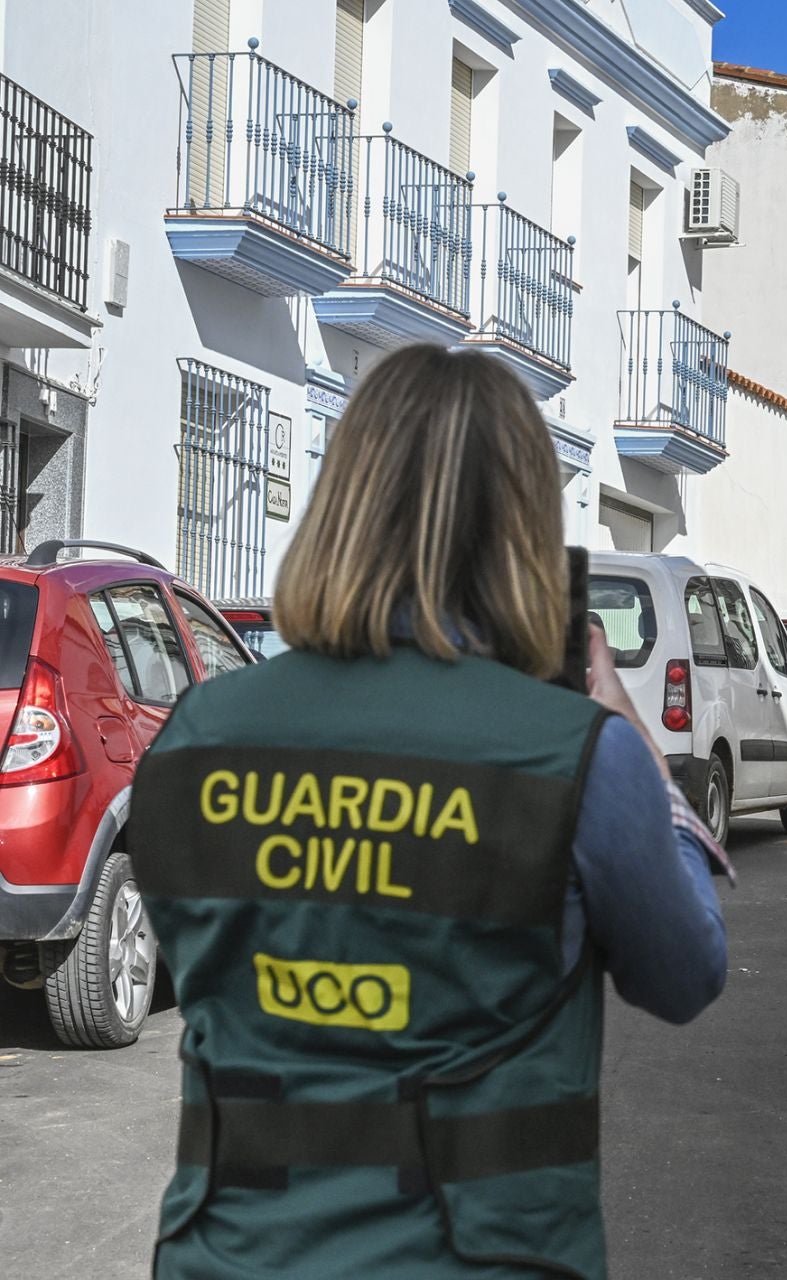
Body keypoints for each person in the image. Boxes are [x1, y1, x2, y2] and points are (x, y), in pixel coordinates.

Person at [126, 345, 729, 1279]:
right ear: (524, 533)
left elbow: (201, 950)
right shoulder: (574, 755)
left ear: (343, 509)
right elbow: (685, 973)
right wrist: (632, 742)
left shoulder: (200, 732)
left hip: (225, 1255)